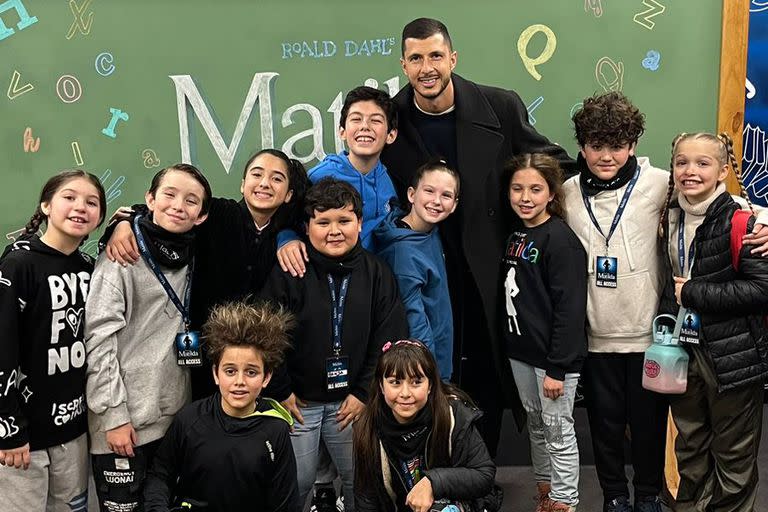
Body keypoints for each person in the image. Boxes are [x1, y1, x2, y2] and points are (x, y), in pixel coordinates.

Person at [380, 17, 575, 453]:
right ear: (403, 65)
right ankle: (436, 473)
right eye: (415, 58)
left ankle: (480, 476)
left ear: (453, 57)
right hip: (422, 266)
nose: (426, 67)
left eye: (435, 55)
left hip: (488, 266)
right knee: (427, 369)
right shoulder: (390, 118)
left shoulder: (500, 106)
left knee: (488, 371)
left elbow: (550, 162)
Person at [102, 149, 309, 399]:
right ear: (243, 184)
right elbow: (165, 214)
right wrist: (124, 223)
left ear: (288, 195)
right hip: (198, 357)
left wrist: (290, 237)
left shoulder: (282, 237)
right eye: (257, 174)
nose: (265, 183)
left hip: (252, 366)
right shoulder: (216, 214)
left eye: (277, 178)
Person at [261, 178, 409, 511]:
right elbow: (267, 336)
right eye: (323, 222)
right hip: (298, 403)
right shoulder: (290, 271)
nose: (334, 231)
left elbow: (387, 337)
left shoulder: (377, 273)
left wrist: (363, 392)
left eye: (344, 221)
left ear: (359, 222)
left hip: (351, 404)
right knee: (295, 483)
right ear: (307, 226)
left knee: (362, 482)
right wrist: (282, 390)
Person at [85, 164, 212, 511]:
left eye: (191, 201)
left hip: (172, 421)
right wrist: (113, 417)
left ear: (200, 217)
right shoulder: (121, 256)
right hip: (124, 422)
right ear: (150, 200)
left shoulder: (192, 254)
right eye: (169, 195)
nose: (178, 205)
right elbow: (98, 340)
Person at [658, 132, 768, 512]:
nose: (691, 171)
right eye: (682, 162)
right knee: (690, 447)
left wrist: (692, 293)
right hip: (681, 351)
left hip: (731, 356)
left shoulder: (745, 221)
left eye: (703, 163)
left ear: (722, 171)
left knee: (733, 457)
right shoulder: (667, 214)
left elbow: (760, 289)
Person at [0, 170, 106, 511]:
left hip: (73, 434)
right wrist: (8, 428)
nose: (81, 207)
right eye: (69, 197)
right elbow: (2, 349)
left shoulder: (92, 268)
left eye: (92, 203)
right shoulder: (17, 265)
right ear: (46, 206)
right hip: (23, 439)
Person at [144, 300, 300, 512]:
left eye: (251, 372)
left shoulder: (276, 430)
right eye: (230, 371)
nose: (239, 381)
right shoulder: (189, 419)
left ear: (267, 377)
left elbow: (286, 503)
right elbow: (160, 474)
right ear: (215, 373)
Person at [502, 154, 587, 512]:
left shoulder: (560, 240)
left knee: (557, 430)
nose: (525, 197)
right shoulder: (518, 233)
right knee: (537, 425)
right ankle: (546, 490)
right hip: (521, 352)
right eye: (518, 188)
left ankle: (565, 501)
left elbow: (570, 310)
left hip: (552, 361)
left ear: (551, 194)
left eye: (535, 189)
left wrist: (558, 367)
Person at [353, 340, 501, 512]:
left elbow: (484, 475)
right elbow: (366, 499)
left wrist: (434, 482)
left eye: (416, 382)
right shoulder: (367, 427)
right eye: (395, 382)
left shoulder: (453, 415)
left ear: (430, 385)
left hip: (455, 504)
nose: (405, 393)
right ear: (381, 386)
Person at [277, 85, 399, 276]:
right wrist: (287, 239)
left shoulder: (391, 181)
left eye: (375, 120)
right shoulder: (318, 177)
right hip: (327, 278)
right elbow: (289, 221)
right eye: (356, 119)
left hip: (375, 280)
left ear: (391, 135)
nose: (364, 126)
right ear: (342, 131)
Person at [374, 158, 460, 380]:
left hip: (441, 357)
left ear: (455, 204)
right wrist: (431, 377)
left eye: (446, 195)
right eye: (429, 191)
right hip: (426, 369)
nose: (436, 201)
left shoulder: (428, 230)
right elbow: (414, 322)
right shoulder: (402, 251)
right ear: (411, 195)